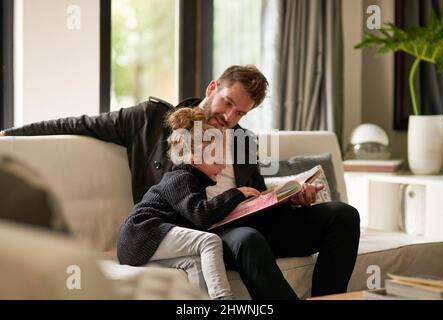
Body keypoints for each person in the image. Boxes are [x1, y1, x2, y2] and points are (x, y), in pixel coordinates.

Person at [0, 65, 360, 299]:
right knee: (247, 239)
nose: (230, 118)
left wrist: (290, 198)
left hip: (249, 220)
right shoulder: (154, 119)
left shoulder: (245, 140)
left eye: (241, 113)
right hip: (200, 227)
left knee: (342, 215)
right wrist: (8, 136)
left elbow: (258, 193)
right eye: (228, 103)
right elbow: (79, 123)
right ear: (213, 86)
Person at [117, 107, 260, 300]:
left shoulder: (193, 181)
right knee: (209, 241)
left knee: (194, 261)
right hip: (141, 232)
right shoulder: (181, 178)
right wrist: (237, 193)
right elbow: (201, 215)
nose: (224, 165)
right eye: (217, 158)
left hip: (141, 243)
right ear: (195, 156)